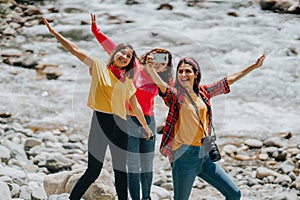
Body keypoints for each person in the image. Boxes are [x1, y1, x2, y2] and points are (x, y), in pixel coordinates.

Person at [42, 17, 153, 200]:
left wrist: (146, 127)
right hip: (100, 124)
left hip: (121, 127)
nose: (124, 57)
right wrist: (55, 33)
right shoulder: (99, 67)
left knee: (120, 172)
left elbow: (135, 106)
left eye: (128, 56)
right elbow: (75, 50)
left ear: (130, 61)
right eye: (122, 53)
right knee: (93, 171)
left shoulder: (128, 81)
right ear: (115, 53)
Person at [145, 52, 266, 200]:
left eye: (188, 71)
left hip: (205, 155)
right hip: (184, 156)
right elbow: (163, 87)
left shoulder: (204, 92)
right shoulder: (176, 95)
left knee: (234, 194)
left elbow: (228, 80)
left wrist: (254, 66)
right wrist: (151, 69)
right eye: (180, 71)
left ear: (195, 74)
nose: (183, 74)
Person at [91, 13, 173, 200]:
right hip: (128, 119)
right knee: (133, 164)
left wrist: (155, 72)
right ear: (148, 55)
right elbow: (111, 47)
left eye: (163, 62)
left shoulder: (161, 78)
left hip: (149, 120)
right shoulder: (133, 65)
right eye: (155, 57)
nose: (158, 62)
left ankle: (147, 197)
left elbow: (167, 91)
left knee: (147, 164)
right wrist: (96, 30)